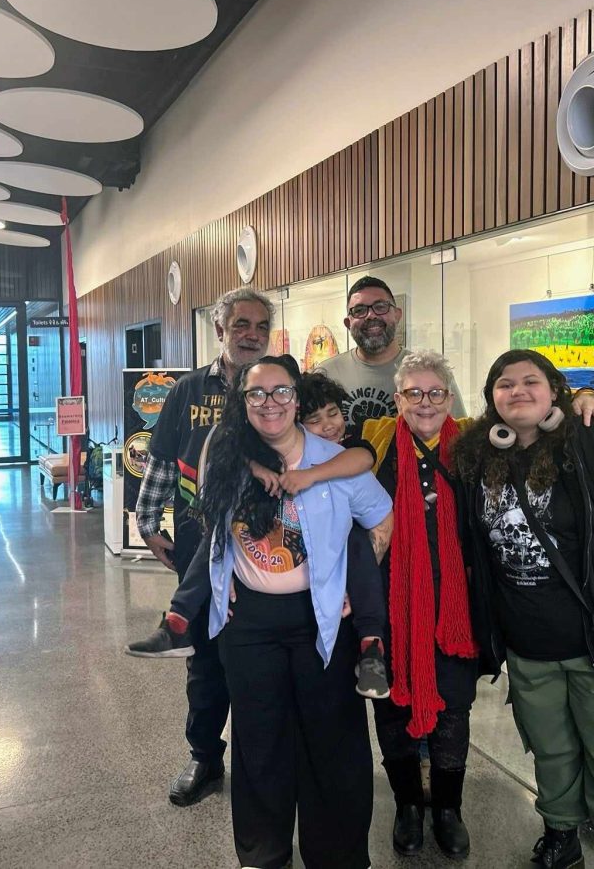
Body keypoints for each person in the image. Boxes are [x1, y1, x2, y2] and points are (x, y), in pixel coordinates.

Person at [452, 349, 594, 869]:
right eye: (504, 384)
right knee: (552, 753)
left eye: (530, 381)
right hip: (531, 648)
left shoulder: (592, 445)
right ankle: (561, 833)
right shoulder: (478, 456)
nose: (517, 392)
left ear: (555, 390)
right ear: (491, 400)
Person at [200, 355, 393, 869]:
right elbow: (211, 524)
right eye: (257, 394)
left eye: (281, 392)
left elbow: (381, 518)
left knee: (333, 742)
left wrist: (353, 581)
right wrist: (225, 580)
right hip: (249, 624)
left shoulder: (334, 459)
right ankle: (263, 855)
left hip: (320, 620)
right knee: (258, 741)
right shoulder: (225, 457)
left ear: (296, 399)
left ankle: (338, 856)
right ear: (243, 403)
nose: (270, 404)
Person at [140, 367, 395, 700]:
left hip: (334, 566)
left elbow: (363, 458)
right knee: (215, 538)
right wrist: (255, 466)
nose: (328, 426)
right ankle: (178, 618)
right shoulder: (252, 450)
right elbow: (227, 447)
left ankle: (372, 643)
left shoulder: (344, 452)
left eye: (334, 414)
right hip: (258, 607)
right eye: (315, 420)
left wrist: (312, 475)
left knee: (357, 543)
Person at [124, 285, 272, 807]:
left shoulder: (279, 384)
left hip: (266, 552)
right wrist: (147, 523)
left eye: (260, 327)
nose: (251, 335)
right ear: (219, 330)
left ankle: (264, 762)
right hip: (197, 545)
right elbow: (163, 461)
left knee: (257, 661)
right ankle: (204, 756)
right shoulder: (187, 390)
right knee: (205, 661)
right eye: (241, 326)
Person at [356, 349, 478, 859]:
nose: (425, 403)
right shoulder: (374, 442)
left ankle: (447, 808)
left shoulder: (473, 444)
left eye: (435, 393)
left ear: (449, 398)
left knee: (454, 708)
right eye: (414, 393)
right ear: (398, 399)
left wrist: (581, 398)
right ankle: (408, 805)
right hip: (389, 605)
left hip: (456, 609)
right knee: (390, 705)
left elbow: (533, 421)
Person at [317, 276, 467, 429]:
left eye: (380, 307)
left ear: (397, 315)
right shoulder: (326, 373)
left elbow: (459, 435)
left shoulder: (431, 371)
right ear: (348, 323)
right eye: (359, 310)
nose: (371, 315)